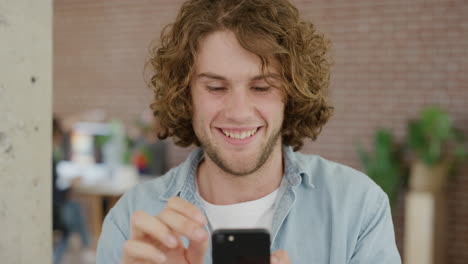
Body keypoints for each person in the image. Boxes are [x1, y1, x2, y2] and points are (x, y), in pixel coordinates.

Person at [97, 0, 401, 263]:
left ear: (291, 94)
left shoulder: (358, 207)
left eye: (261, 87)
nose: (239, 112)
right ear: (186, 96)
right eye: (216, 87)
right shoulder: (132, 221)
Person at [52, 116, 94, 263]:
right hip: (53, 212)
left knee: (76, 210)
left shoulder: (49, 159)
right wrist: (71, 186)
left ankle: (85, 247)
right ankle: (87, 247)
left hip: (54, 208)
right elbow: (56, 196)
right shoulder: (50, 159)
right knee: (75, 212)